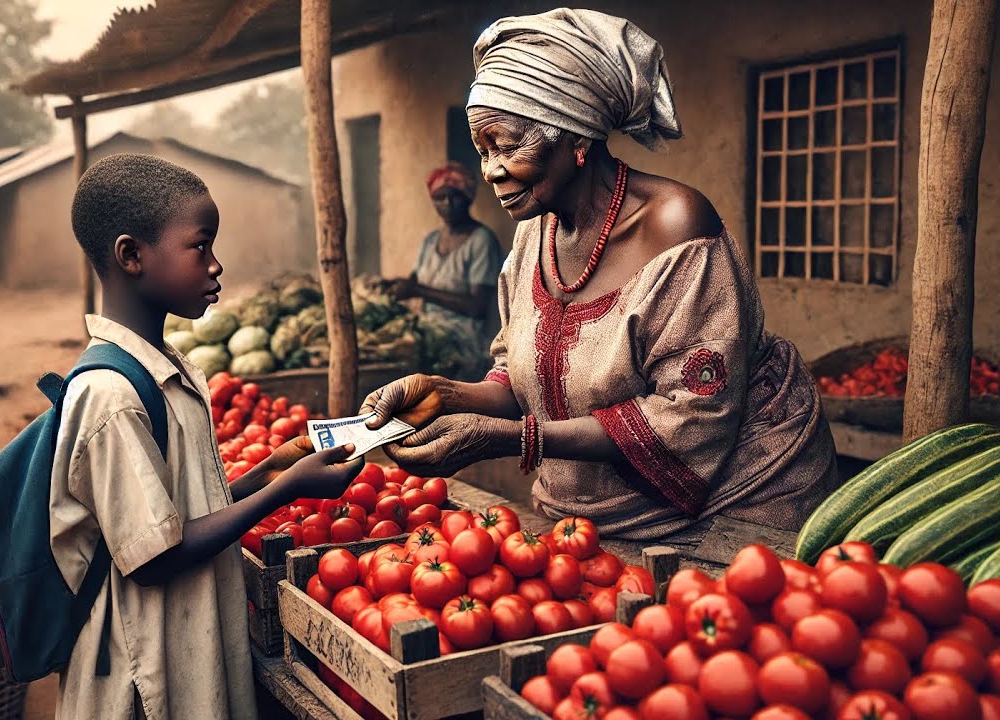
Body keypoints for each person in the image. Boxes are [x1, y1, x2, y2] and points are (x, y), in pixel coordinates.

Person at [362, 9, 838, 540]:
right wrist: (443, 394)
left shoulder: (675, 227)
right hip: (588, 518)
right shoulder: (530, 240)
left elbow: (689, 416)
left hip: (744, 501)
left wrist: (515, 439)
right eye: (483, 150)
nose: (491, 170)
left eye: (508, 145)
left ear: (576, 138)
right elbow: (521, 381)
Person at [52, 154, 363, 720]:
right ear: (131, 256)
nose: (217, 265)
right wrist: (284, 490)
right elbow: (153, 557)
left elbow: (180, 512)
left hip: (183, 651)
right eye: (200, 246)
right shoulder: (110, 397)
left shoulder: (166, 369)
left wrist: (269, 469)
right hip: (141, 680)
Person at [383, 162, 504, 379]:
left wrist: (418, 290)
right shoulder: (430, 241)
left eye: (454, 196)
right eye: (440, 197)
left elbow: (477, 307)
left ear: (468, 198)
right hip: (431, 336)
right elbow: (414, 282)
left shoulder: (481, 241)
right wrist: (390, 286)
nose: (447, 203)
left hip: (466, 345)